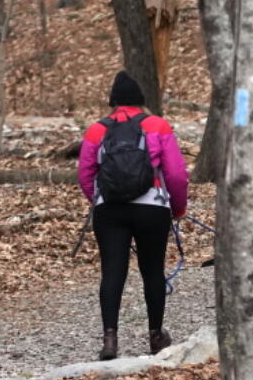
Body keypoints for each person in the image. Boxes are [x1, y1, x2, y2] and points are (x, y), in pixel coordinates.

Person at [78, 71, 188, 360]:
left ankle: (110, 338)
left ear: (113, 102)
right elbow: (176, 174)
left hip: (110, 210)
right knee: (152, 271)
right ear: (141, 100)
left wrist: (99, 201)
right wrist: (177, 208)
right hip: (152, 207)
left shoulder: (96, 131)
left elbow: (85, 175)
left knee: (113, 271)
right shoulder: (158, 126)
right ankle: (155, 337)